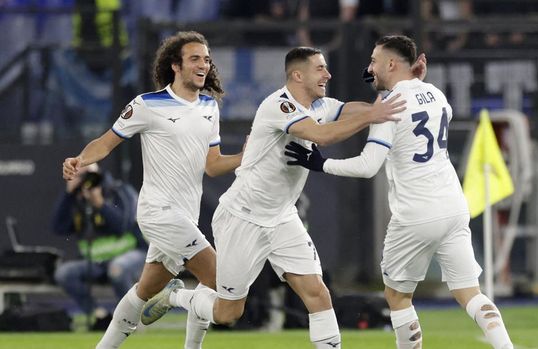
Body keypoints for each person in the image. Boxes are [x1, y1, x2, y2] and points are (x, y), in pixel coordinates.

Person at [140, 46, 427, 348]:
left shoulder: (319, 105)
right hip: (243, 217)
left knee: (317, 293)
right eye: (320, 69)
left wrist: (396, 94)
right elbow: (322, 136)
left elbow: (347, 110)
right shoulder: (279, 106)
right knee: (228, 312)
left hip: (282, 217)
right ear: (297, 75)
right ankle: (176, 295)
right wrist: (374, 113)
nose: (327, 74)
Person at [284, 35, 514, 349]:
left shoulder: (389, 107)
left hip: (416, 213)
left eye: (375, 62)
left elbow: (367, 166)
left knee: (397, 296)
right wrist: (413, 81)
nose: (369, 69)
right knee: (469, 293)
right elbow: (424, 103)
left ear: (392, 64)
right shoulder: (436, 95)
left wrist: (321, 164)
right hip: (453, 206)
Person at [61, 31, 243, 349]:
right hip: (158, 213)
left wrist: (245, 157)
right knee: (221, 281)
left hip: (185, 215)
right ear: (176, 65)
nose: (204, 65)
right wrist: (79, 159)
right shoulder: (147, 105)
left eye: (207, 59)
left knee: (143, 291)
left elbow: (212, 166)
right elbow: (106, 142)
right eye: (195, 59)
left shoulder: (209, 108)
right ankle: (175, 297)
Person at [52, 162, 146, 330]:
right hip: (95, 262)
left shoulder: (119, 191)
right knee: (64, 273)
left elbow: (123, 224)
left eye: (89, 174)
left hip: (130, 254)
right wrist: (68, 194)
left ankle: (129, 321)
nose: (87, 181)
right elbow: (58, 228)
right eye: (80, 175)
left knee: (117, 269)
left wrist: (101, 205)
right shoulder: (77, 199)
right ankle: (98, 314)